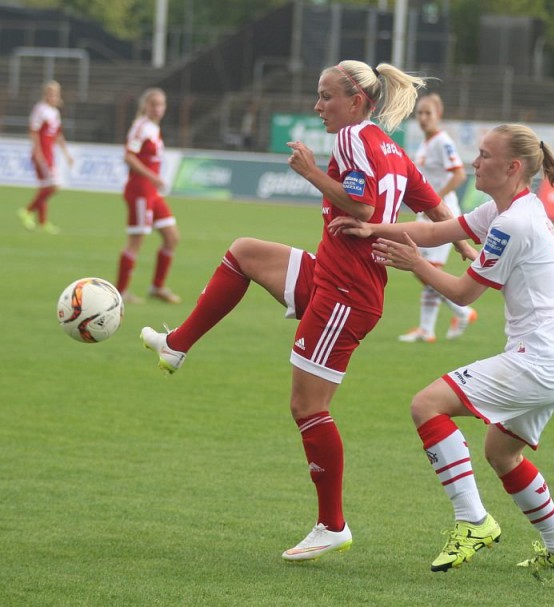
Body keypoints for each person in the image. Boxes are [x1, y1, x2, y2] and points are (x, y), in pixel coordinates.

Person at [140, 60, 476, 561]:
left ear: (356, 101)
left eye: (326, 97)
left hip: (348, 292)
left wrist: (310, 172)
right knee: (244, 252)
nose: (318, 107)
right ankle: (177, 345)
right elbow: (431, 205)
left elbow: (361, 208)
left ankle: (332, 524)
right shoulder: (391, 148)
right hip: (332, 275)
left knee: (308, 408)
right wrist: (469, 250)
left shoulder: (351, 140)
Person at [329, 123, 554, 572]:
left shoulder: (512, 223)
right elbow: (438, 231)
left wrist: (413, 264)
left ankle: (472, 521)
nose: (474, 161)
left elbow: (463, 293)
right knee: (501, 453)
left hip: (540, 360)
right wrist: (373, 228)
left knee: (427, 405)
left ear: (512, 167)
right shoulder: (507, 209)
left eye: (485, 154)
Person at [399, 92, 477, 343]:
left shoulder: (443, 141)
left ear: (438, 116)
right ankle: (428, 329)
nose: (422, 118)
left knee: (425, 269)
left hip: (444, 216)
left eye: (427, 113)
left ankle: (462, 312)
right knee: (422, 269)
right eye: (419, 113)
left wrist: (435, 199)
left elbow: (458, 175)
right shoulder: (425, 143)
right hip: (429, 215)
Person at [115, 88, 181, 305]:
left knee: (172, 237)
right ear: (145, 105)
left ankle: (157, 287)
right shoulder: (140, 127)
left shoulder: (153, 127)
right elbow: (129, 156)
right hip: (140, 190)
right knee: (136, 241)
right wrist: (154, 177)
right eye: (153, 104)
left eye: (161, 104)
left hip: (151, 191)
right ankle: (120, 292)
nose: (158, 108)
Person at [17, 80, 73, 234]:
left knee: (45, 187)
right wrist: (38, 152)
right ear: (45, 94)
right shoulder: (40, 109)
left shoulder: (55, 112)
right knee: (54, 186)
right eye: (50, 93)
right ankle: (27, 210)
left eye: (55, 93)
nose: (53, 96)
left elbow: (57, 135)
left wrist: (67, 153)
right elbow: (33, 132)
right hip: (42, 154)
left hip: (49, 153)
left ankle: (43, 222)